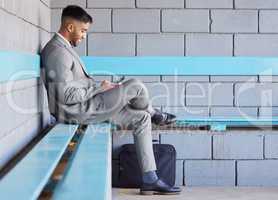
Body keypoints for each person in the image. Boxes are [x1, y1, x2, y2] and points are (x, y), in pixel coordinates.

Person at [40, 5, 181, 195]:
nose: (84, 36)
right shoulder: (57, 51)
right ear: (70, 27)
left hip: (88, 106)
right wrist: (99, 88)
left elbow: (75, 86)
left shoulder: (63, 48)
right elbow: (66, 95)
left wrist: (101, 87)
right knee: (135, 86)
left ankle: (150, 179)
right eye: (83, 30)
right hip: (78, 112)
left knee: (141, 118)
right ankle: (156, 113)